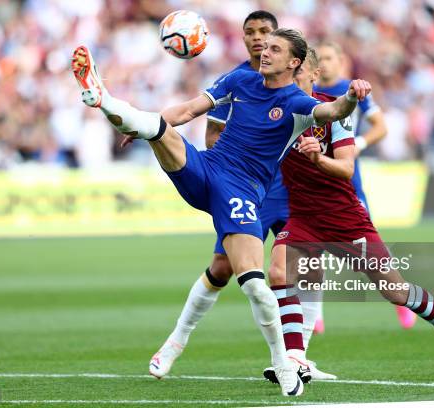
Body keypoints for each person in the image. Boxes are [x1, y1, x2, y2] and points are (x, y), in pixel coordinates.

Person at [71, 28, 372, 396]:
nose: (264, 51)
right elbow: (185, 111)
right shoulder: (241, 79)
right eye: (263, 44)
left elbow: (334, 110)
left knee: (256, 286)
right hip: (208, 167)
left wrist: (353, 96)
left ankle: (283, 363)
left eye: (275, 48)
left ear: (294, 63)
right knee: (159, 129)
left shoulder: (297, 103)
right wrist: (141, 126)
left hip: (243, 191)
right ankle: (102, 99)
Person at [262, 48, 434, 383]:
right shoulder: (277, 112)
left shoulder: (336, 112)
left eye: (301, 71)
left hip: (345, 217)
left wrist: (318, 159)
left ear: (314, 75)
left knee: (395, 291)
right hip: (303, 216)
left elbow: (347, 168)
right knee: (278, 271)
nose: (293, 76)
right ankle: (294, 358)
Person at [147, 11, 336, 385]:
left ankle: (297, 357)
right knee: (223, 268)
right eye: (250, 33)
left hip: (293, 188)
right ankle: (175, 341)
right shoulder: (237, 81)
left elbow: (321, 110)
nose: (258, 39)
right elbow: (212, 138)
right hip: (247, 187)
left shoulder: (294, 72)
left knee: (301, 265)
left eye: (265, 32)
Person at [314, 41, 417, 331]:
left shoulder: (354, 90)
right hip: (313, 177)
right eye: (319, 59)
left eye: (329, 57)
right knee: (311, 245)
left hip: (347, 179)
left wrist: (359, 143)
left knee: (370, 246)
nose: (324, 63)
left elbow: (381, 127)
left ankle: (401, 299)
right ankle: (315, 312)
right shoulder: (304, 93)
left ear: (341, 59)